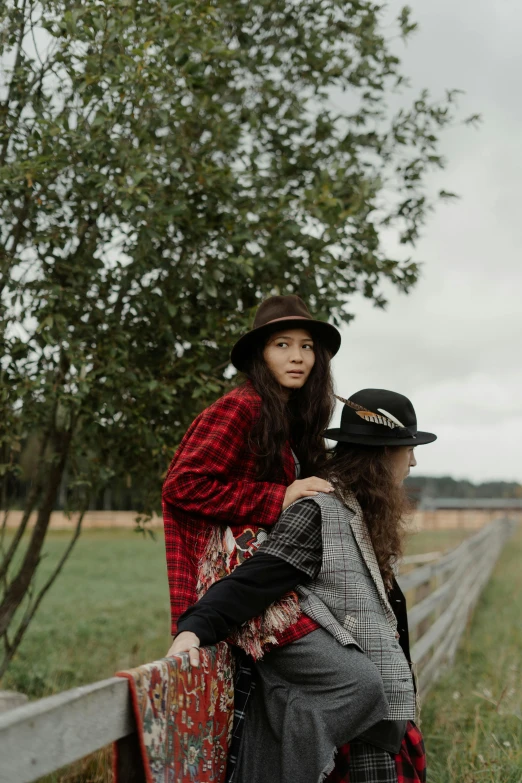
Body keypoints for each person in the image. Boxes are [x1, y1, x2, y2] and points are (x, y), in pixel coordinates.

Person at [171, 389, 437, 783]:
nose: (413, 460)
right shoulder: (319, 510)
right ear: (381, 453)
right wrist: (195, 627)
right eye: (407, 448)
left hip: (384, 720)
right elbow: (256, 578)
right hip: (349, 728)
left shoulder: (362, 512)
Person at [162, 293, 341, 658]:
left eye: (307, 346)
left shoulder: (291, 418)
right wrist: (278, 497)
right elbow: (182, 486)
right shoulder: (242, 406)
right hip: (225, 581)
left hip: (264, 580)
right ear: (261, 353)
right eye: (282, 345)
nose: (298, 357)